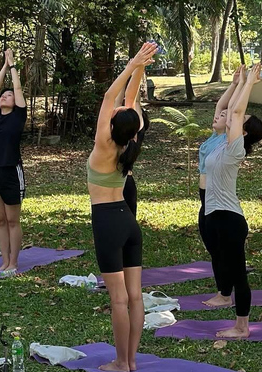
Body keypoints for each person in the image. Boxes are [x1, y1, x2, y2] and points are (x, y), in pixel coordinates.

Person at [88, 42, 158, 372]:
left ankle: (121, 362)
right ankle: (130, 361)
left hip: (107, 222)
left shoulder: (104, 144)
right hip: (128, 223)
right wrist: (140, 66)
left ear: (114, 125)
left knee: (118, 299)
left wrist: (132, 64)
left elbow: (109, 98)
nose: (116, 109)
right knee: (135, 297)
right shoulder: (130, 142)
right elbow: (127, 102)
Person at [203, 63, 262, 338]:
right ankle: (234, 314)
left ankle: (242, 326)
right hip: (216, 216)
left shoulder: (235, 149)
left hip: (230, 219)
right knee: (227, 266)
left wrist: (249, 83)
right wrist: (239, 83)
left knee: (238, 273)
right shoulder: (222, 145)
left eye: (237, 121)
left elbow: (237, 111)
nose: (230, 118)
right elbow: (229, 111)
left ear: (244, 132)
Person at [197, 66, 241, 307]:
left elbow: (233, 109)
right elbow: (222, 106)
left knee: (219, 246)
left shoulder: (228, 139)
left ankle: (225, 294)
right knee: (212, 245)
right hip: (204, 197)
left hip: (215, 197)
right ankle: (223, 289)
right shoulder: (214, 137)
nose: (217, 116)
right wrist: (233, 84)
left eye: (223, 117)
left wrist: (245, 87)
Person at [0, 49, 27, 274]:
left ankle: (14, 262)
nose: (4, 96)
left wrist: (12, 66)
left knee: (12, 220)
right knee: (0, 220)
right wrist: (3, 66)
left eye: (8, 96)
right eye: (3, 96)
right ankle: (4, 261)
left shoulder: (18, 116)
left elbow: (17, 88)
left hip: (11, 170)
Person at [114, 64, 151, 218]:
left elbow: (128, 100)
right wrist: (136, 68)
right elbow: (123, 101)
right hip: (123, 183)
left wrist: (135, 69)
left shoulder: (120, 134)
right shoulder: (124, 131)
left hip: (121, 184)